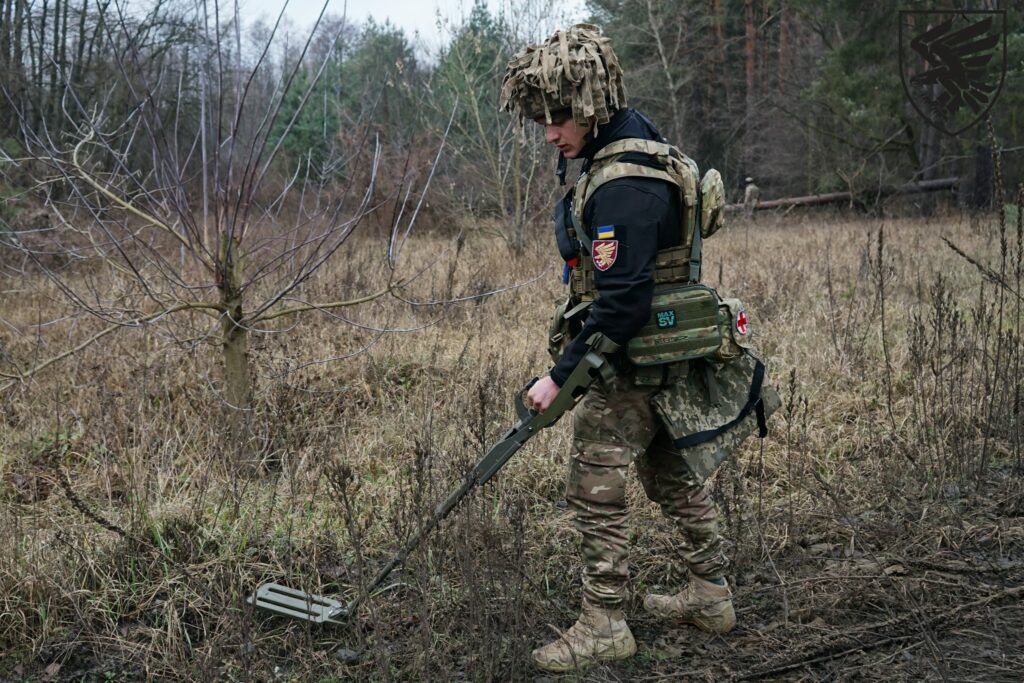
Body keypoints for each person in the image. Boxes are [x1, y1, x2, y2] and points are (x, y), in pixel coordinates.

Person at [500, 24, 780, 672]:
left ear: (592, 102)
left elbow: (621, 303)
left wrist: (556, 377)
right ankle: (711, 593)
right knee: (667, 468)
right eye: (543, 117)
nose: (550, 132)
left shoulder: (622, 184)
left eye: (559, 116)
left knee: (594, 479)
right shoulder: (643, 141)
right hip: (664, 354)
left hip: (632, 356)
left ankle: (603, 621)